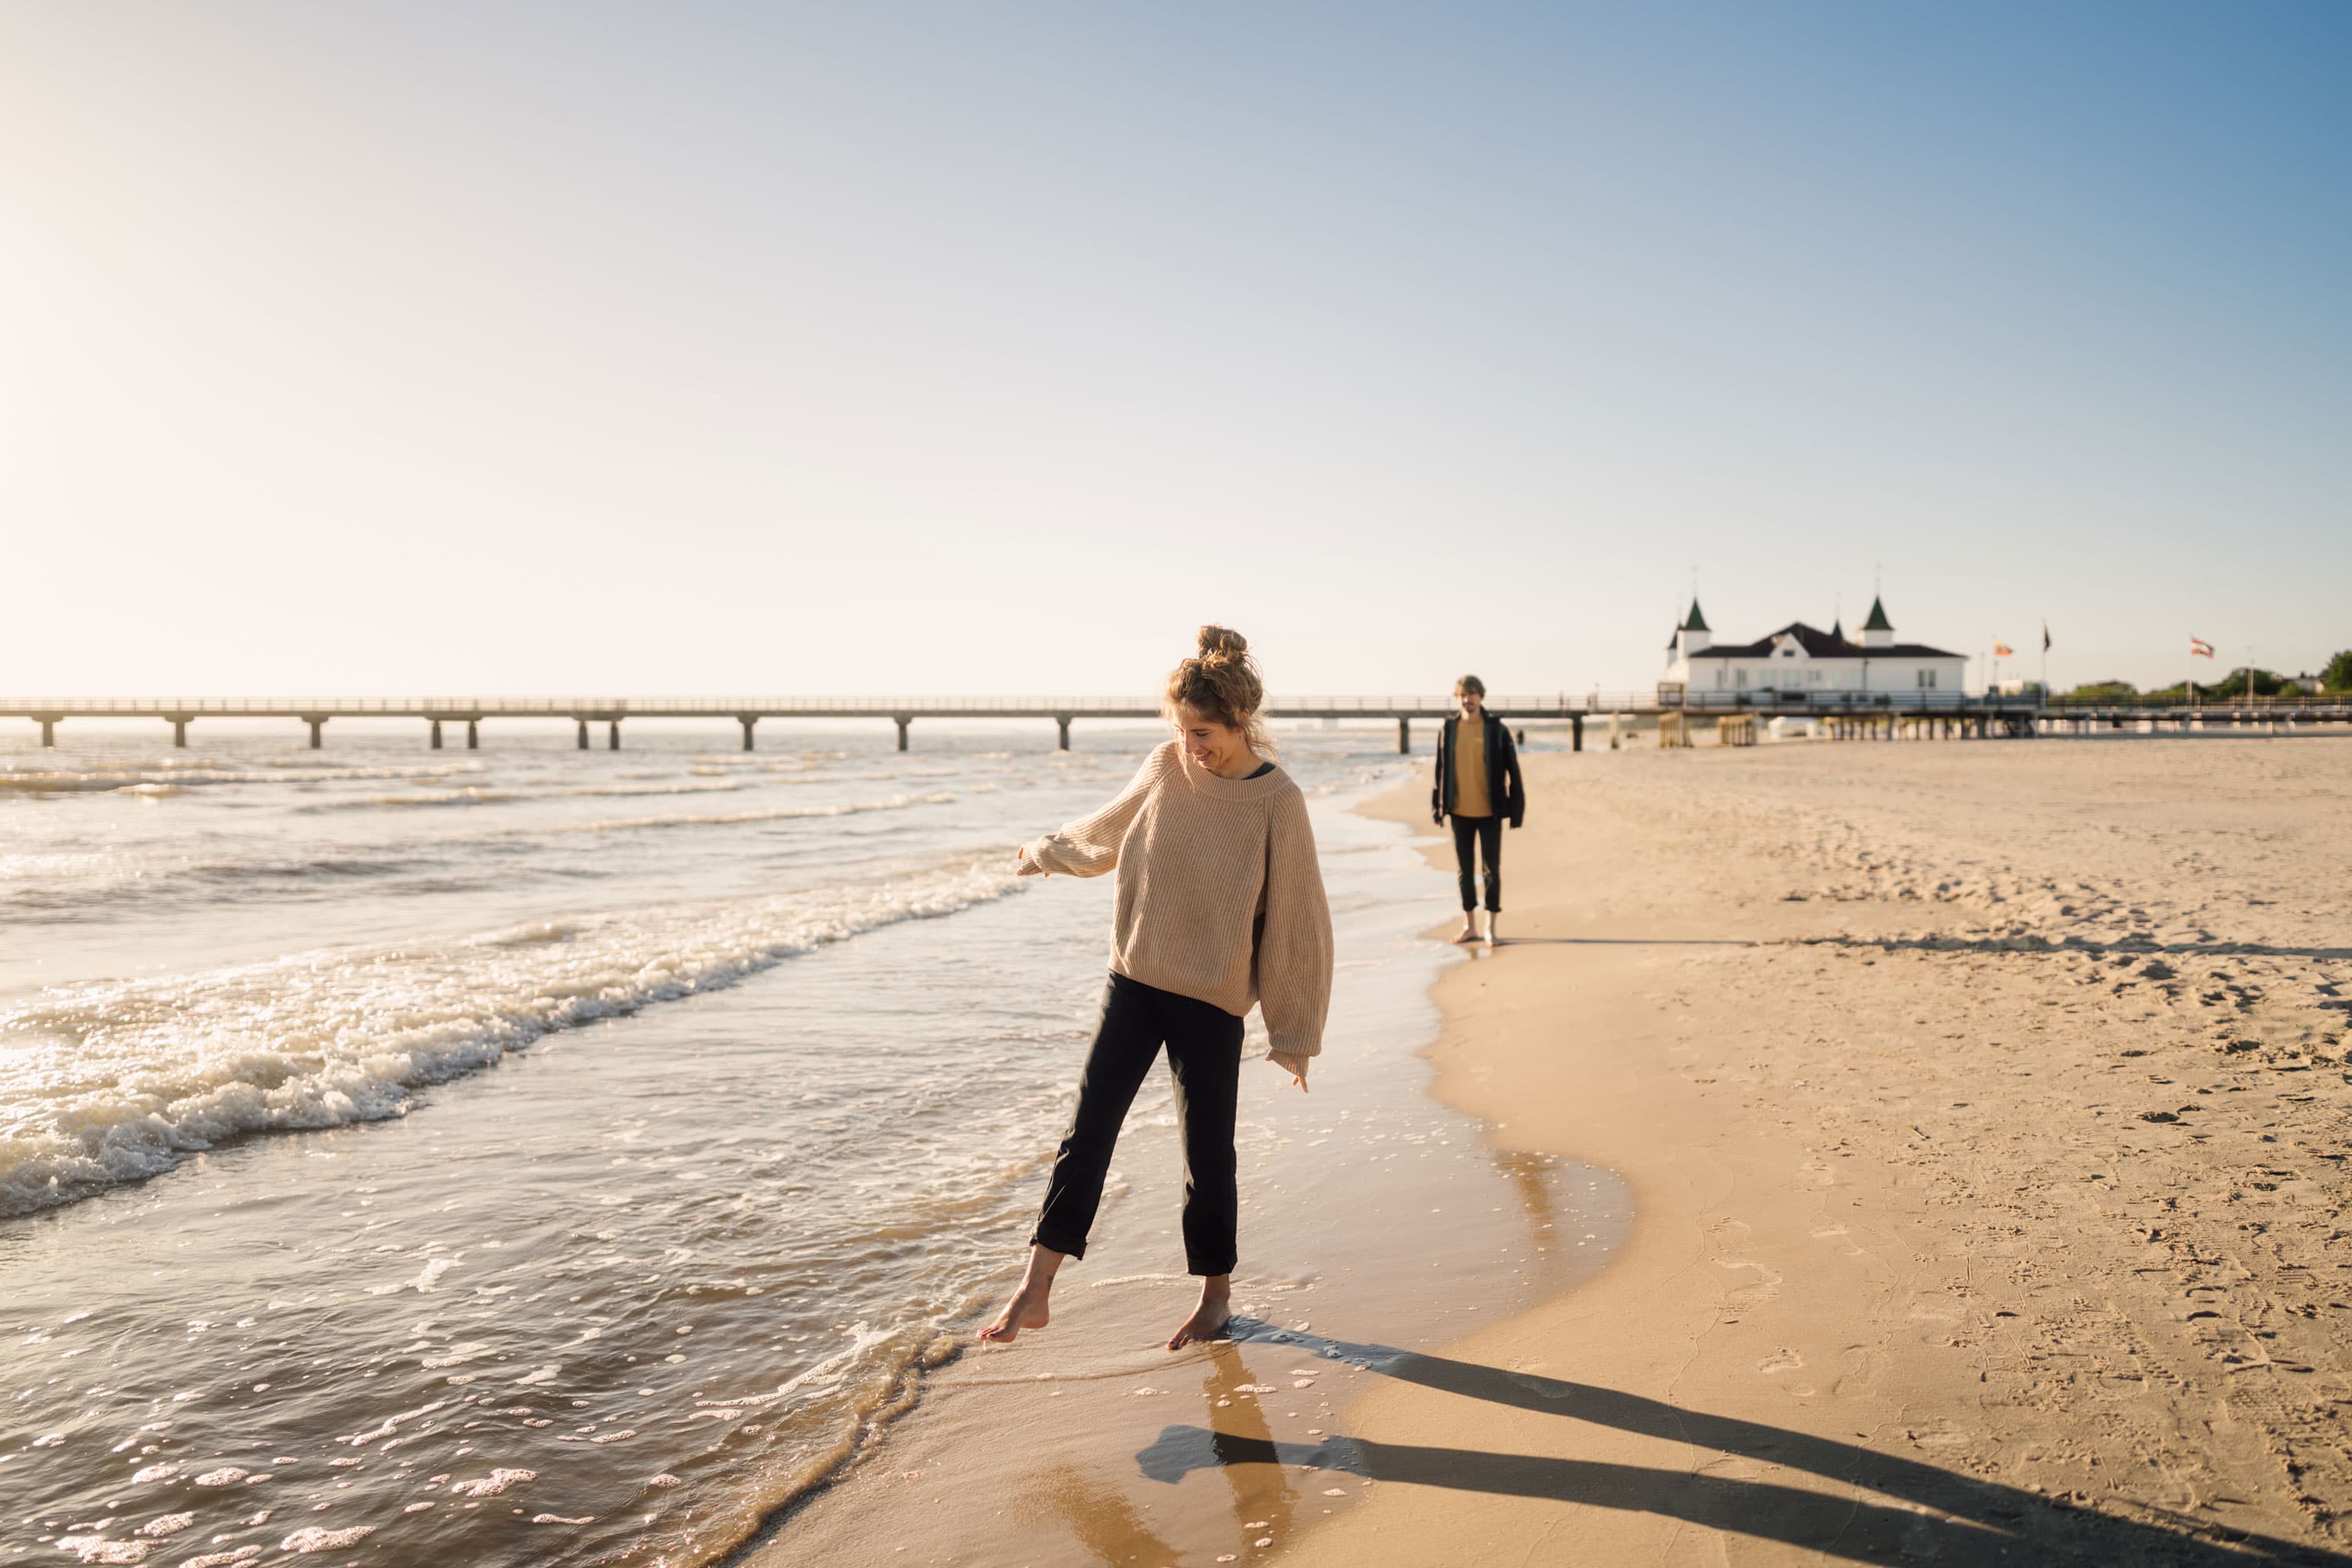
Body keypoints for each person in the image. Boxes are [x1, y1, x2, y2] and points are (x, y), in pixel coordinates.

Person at [979, 626, 1334, 1352]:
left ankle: (1215, 1298)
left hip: (1211, 1003)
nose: (1189, 745)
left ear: (1242, 723)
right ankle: (1036, 1284)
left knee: (1208, 1156)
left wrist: (1295, 1034)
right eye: (1180, 729)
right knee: (1088, 1132)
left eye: (1202, 732)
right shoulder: (1165, 766)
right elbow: (1105, 833)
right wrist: (1044, 852)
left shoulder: (1278, 803)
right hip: (1133, 983)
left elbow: (1298, 920)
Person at [1432, 674, 1525, 946]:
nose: (1467, 700)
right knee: (1464, 871)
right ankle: (1469, 926)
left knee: (1491, 870)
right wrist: (1437, 807)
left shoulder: (1496, 729)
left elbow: (1513, 770)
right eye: (1462, 695)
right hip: (1459, 812)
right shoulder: (1448, 729)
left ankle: (1490, 928)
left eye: (1471, 694)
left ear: (1480, 697)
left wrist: (1516, 809)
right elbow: (1440, 771)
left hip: (1489, 812)